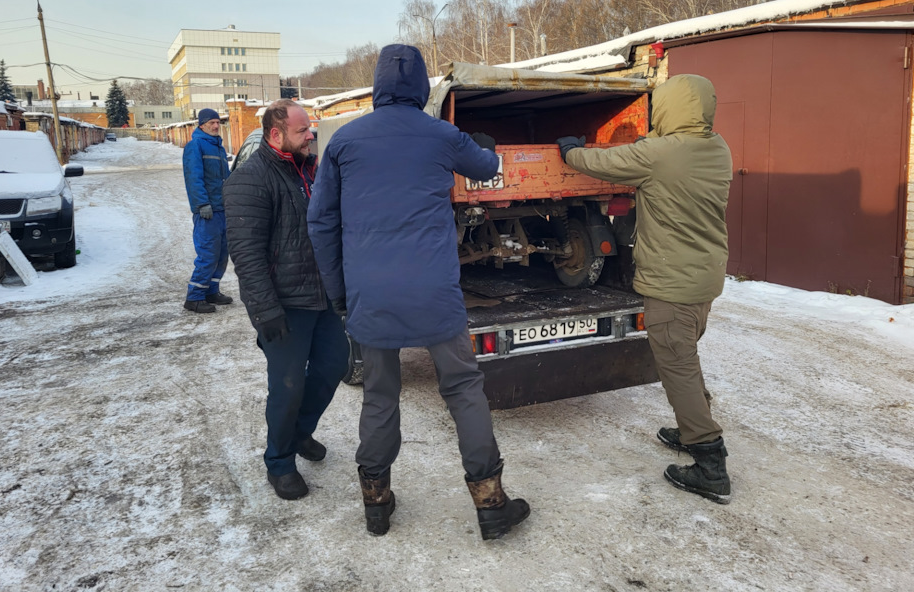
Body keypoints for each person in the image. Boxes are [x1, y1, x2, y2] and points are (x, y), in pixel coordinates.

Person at [307, 44, 530, 539]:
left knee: (381, 394)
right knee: (463, 389)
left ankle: (376, 503)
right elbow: (487, 166)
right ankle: (491, 504)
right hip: (434, 292)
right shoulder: (441, 135)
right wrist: (485, 144)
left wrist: (340, 292)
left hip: (372, 292)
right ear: (422, 86)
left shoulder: (344, 141)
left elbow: (321, 221)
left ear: (379, 85)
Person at [556, 74, 734, 504]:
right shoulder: (718, 148)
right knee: (685, 358)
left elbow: (601, 164)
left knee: (677, 367)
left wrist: (569, 150)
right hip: (704, 278)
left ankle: (710, 466)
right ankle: (692, 427)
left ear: (670, 109)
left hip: (671, 284)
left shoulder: (660, 154)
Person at [223, 100, 349, 501]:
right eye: (302, 131)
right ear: (275, 135)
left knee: (334, 366)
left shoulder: (312, 171)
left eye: (310, 129)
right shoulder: (250, 180)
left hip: (323, 297)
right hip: (283, 306)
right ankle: (279, 461)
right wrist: (265, 311)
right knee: (288, 386)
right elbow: (246, 254)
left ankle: (299, 432)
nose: (311, 135)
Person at [182, 108, 232, 313]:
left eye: (217, 122)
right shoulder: (195, 146)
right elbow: (193, 178)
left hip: (222, 210)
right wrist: (201, 205)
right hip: (207, 212)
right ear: (201, 124)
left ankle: (211, 291)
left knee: (222, 254)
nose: (215, 126)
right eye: (211, 122)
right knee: (208, 254)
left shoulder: (218, 147)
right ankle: (194, 298)